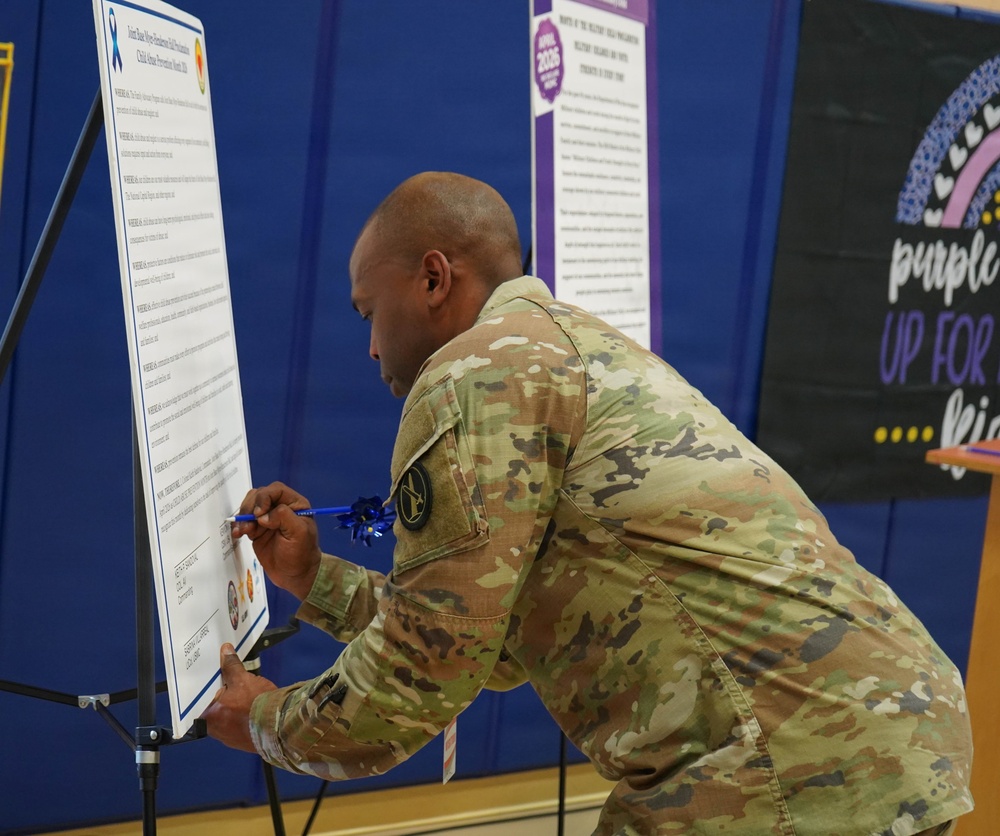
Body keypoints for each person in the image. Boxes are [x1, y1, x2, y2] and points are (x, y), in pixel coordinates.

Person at [203, 172, 973, 835]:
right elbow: (492, 648)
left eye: (369, 310)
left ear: (434, 279)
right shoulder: (566, 342)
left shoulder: (477, 372)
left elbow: (424, 671)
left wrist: (265, 724)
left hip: (784, 760)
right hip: (874, 734)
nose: (371, 346)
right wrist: (315, 578)